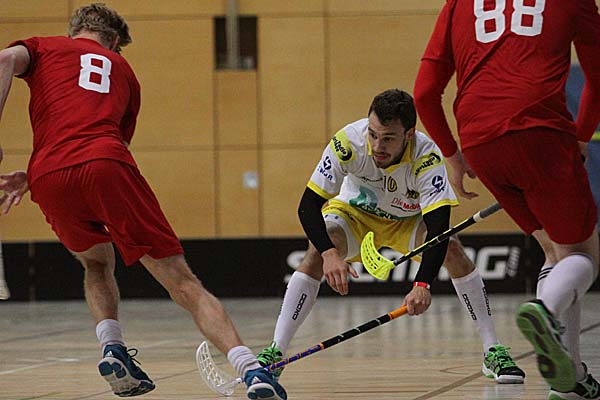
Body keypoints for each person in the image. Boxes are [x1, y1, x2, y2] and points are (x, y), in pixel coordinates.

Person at [0, 4, 286, 399]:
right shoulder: (124, 73)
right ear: (114, 41)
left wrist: (32, 175)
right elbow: (105, 145)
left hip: (47, 174)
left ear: (75, 31)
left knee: (96, 263)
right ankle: (252, 371)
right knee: (183, 283)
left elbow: (4, 60)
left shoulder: (45, 47)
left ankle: (112, 347)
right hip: (105, 162)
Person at [255, 89, 525, 385]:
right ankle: (275, 352)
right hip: (354, 215)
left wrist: (422, 284)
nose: (377, 146)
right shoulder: (348, 142)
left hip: (406, 221)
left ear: (409, 134)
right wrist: (329, 254)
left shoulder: (426, 156)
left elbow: (438, 227)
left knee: (453, 249)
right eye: (373, 135)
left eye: (388, 139)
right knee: (317, 251)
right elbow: (308, 206)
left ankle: (492, 350)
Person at [413, 1, 600, 398]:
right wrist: (581, 135)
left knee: (553, 249)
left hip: (480, 142)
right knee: (583, 253)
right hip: (541, 130)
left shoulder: (458, 4)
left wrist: (452, 155)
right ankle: (546, 312)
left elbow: (425, 93)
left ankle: (570, 380)